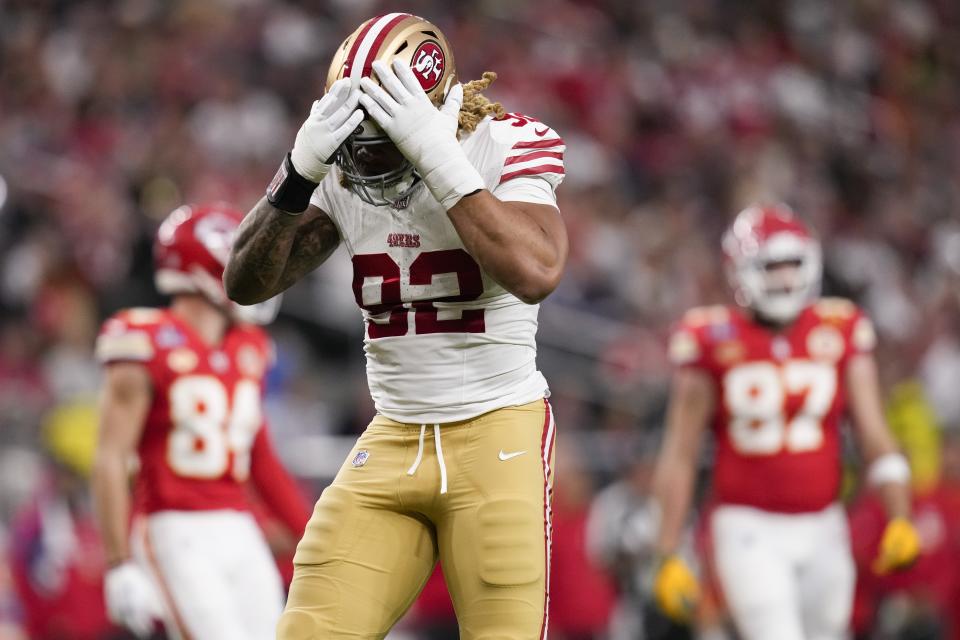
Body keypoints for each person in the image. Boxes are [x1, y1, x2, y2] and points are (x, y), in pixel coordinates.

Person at [223, 12, 568, 639]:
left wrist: (438, 158)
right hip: (393, 436)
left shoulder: (502, 143)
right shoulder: (344, 163)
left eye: (385, 143)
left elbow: (537, 270)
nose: (366, 166)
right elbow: (245, 283)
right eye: (358, 144)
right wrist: (297, 173)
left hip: (498, 431)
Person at [650, 204, 920, 640]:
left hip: (824, 523)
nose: (784, 277)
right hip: (747, 525)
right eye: (771, 265)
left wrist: (900, 515)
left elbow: (874, 435)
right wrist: (665, 552)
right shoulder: (710, 338)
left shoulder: (840, 327)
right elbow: (679, 454)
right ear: (740, 270)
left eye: (793, 263)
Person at [91, 203, 310, 640]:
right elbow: (110, 458)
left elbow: (260, 456)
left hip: (240, 526)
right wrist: (117, 563)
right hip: (174, 526)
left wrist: (311, 539)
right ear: (210, 267)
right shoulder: (145, 340)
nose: (261, 271)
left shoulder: (249, 346)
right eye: (247, 258)